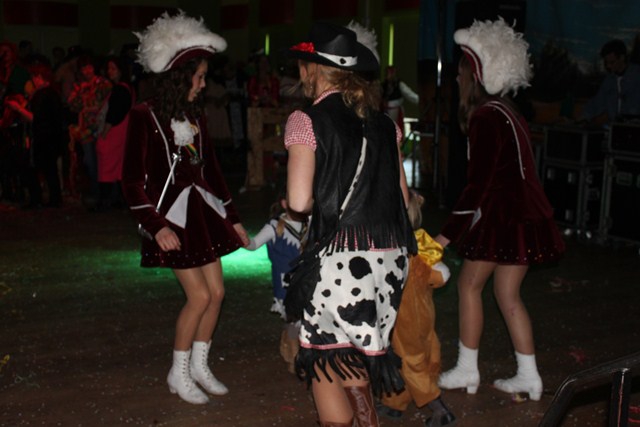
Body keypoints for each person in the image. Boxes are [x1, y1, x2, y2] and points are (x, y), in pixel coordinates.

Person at [284, 22, 416, 426]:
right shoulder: (386, 124)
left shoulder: (306, 121)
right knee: (352, 353)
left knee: (323, 355)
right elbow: (403, 201)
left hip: (340, 261)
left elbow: (299, 202)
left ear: (310, 68)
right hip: (389, 262)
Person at [121, 11, 249, 405]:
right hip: (171, 221)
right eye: (200, 77)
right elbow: (131, 181)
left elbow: (212, 171)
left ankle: (198, 365)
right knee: (199, 297)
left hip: (203, 216)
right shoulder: (143, 115)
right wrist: (155, 225)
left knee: (217, 293)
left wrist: (233, 219)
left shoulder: (196, 115)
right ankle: (177, 372)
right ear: (181, 77)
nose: (204, 84)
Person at [434, 19, 565, 402]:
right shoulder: (508, 111)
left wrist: (445, 236)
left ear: (475, 75)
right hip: (525, 216)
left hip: (502, 218)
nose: (457, 78)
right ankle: (529, 376)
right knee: (508, 295)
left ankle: (467, 369)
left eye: (461, 70)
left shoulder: (486, 116)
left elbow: (478, 186)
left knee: (468, 285)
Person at [377, 190, 455, 427]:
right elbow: (440, 276)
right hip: (422, 312)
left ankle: (440, 410)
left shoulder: (394, 248)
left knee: (410, 362)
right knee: (409, 356)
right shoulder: (419, 244)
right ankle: (395, 402)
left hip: (402, 317)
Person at [6, 62, 66, 207]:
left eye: (34, 76)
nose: (33, 80)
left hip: (44, 138)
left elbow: (35, 118)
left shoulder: (43, 94)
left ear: (40, 77)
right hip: (50, 137)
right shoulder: (50, 93)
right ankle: (53, 199)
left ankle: (38, 199)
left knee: (35, 168)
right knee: (49, 169)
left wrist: (18, 108)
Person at [246, 190, 307, 319]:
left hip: (305, 281)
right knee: (292, 321)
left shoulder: (309, 223)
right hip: (286, 283)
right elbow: (253, 244)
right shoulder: (274, 226)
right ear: (284, 203)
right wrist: (237, 236)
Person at [67, 53, 112, 208]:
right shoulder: (81, 86)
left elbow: (107, 103)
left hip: (101, 127)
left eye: (89, 67)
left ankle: (106, 195)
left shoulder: (103, 83)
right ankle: (96, 193)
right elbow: (73, 105)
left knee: (103, 161)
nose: (86, 71)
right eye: (83, 68)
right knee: (90, 162)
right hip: (86, 129)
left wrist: (93, 108)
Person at [96, 55, 135, 210]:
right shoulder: (128, 88)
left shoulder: (120, 89)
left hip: (114, 132)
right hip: (123, 132)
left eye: (113, 69)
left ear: (120, 70)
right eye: (109, 69)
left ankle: (105, 201)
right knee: (118, 169)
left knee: (106, 168)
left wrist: (104, 132)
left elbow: (114, 114)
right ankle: (119, 199)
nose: (110, 72)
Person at [580, 38, 640, 123]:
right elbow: (597, 102)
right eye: (606, 63)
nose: (608, 66)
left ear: (622, 57)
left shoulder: (637, 75)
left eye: (612, 62)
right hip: (616, 126)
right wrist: (584, 117)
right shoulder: (609, 81)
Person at [382, 65, 419, 131]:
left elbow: (409, 94)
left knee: (395, 129)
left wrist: (420, 100)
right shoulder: (383, 85)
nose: (390, 75)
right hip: (384, 111)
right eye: (389, 73)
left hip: (395, 111)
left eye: (392, 72)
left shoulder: (399, 84)